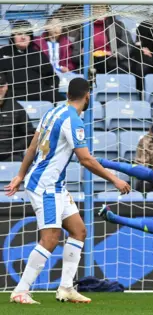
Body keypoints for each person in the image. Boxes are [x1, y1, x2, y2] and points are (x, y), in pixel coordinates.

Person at [4, 78, 131, 305]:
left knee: (79, 231)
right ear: (87, 95)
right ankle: (20, 290)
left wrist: (20, 175)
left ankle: (65, 288)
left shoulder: (53, 112)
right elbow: (85, 159)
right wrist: (115, 179)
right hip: (46, 186)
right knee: (51, 239)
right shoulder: (73, 120)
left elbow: (33, 146)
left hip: (52, 184)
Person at [0, 20, 62, 104]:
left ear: (30, 37)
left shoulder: (38, 55)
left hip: (38, 92)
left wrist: (51, 88)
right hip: (12, 94)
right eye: (19, 34)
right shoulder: (3, 53)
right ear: (13, 36)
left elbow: (52, 77)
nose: (23, 37)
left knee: (61, 100)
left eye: (27, 34)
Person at [0, 75, 35, 162]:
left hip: (9, 156)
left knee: (17, 162)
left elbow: (28, 134)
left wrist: (12, 149)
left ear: (6, 86)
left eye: (1, 87)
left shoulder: (16, 108)